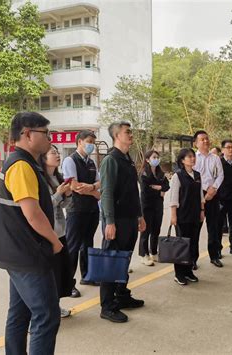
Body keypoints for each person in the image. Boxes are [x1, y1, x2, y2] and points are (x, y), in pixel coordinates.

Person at [0, 112, 63, 355]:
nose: (50, 139)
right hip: (27, 254)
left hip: (16, 251)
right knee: (47, 315)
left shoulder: (26, 162)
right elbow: (33, 214)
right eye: (46, 133)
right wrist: (54, 241)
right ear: (27, 134)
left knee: (19, 313)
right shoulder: (21, 165)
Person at [99, 121, 146, 323]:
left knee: (124, 259)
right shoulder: (111, 160)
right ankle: (107, 306)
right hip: (116, 220)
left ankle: (122, 295)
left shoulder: (127, 159)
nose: (131, 135)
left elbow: (133, 192)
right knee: (111, 262)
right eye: (128, 132)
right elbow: (106, 192)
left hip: (129, 218)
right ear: (117, 135)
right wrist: (109, 221)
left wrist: (140, 215)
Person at [62, 130, 101, 298]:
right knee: (73, 247)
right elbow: (74, 186)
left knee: (88, 244)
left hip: (91, 210)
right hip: (76, 210)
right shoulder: (70, 160)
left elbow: (100, 182)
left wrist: (91, 188)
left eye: (93, 141)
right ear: (79, 142)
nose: (91, 144)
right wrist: (95, 191)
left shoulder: (91, 163)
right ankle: (68, 284)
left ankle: (87, 275)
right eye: (89, 141)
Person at [41, 144, 75, 318]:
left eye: (57, 152)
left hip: (61, 230)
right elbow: (44, 206)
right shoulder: (41, 179)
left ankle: (56, 305)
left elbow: (65, 206)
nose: (57, 155)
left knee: (60, 272)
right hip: (48, 232)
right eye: (53, 152)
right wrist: (58, 193)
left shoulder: (58, 177)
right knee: (49, 274)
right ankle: (47, 309)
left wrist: (67, 194)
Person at [170, 148, 205, 285]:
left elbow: (201, 196)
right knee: (181, 245)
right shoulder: (177, 176)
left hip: (195, 215)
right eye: (189, 157)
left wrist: (202, 211)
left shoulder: (197, 175)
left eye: (193, 156)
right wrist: (173, 216)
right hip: (182, 216)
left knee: (193, 244)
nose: (192, 159)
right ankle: (179, 274)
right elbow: (173, 198)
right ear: (182, 160)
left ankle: (189, 270)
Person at [193, 130, 224, 268]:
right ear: (195, 143)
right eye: (202, 139)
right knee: (195, 229)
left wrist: (214, 189)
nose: (205, 141)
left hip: (212, 195)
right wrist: (201, 194)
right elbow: (191, 177)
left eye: (207, 139)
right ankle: (192, 259)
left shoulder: (215, 158)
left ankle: (214, 256)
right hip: (197, 197)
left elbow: (220, 175)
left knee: (214, 228)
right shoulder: (193, 157)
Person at [139, 150, 170, 266]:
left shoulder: (160, 173)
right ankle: (143, 254)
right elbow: (145, 190)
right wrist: (159, 191)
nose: (156, 159)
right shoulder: (143, 173)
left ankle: (154, 252)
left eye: (157, 157)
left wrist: (159, 187)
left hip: (158, 205)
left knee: (156, 229)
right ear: (147, 159)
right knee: (145, 230)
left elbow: (167, 186)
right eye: (154, 157)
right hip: (146, 205)